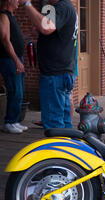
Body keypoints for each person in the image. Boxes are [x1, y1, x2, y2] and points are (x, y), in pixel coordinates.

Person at [19, 0, 78, 129]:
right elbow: (46, 28)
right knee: (64, 122)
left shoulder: (62, 7)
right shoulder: (53, 8)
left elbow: (47, 28)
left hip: (55, 75)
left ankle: (57, 148)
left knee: (54, 125)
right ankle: (67, 147)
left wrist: (27, 4)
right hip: (60, 73)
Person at [0, 0, 28, 134]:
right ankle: (9, 122)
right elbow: (5, 40)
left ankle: (14, 121)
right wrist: (16, 60)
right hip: (9, 60)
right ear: (9, 0)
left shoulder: (11, 16)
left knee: (20, 91)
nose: (18, 2)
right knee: (15, 91)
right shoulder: (3, 16)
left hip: (16, 59)